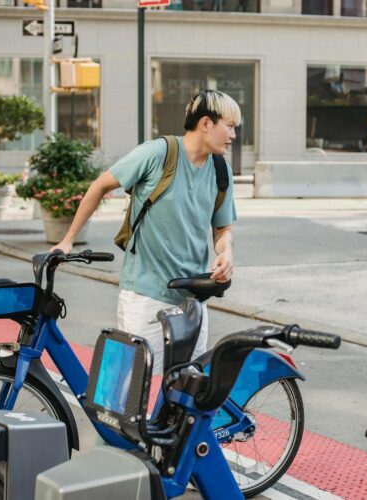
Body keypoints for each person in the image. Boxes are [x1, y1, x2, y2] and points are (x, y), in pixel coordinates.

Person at [51, 89, 239, 373]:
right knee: (133, 386)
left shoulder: (220, 170)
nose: (233, 135)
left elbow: (222, 230)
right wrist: (67, 241)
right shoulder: (158, 153)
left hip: (193, 298)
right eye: (230, 126)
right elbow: (99, 186)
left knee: (185, 390)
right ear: (205, 124)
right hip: (145, 294)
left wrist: (226, 254)